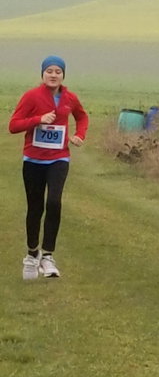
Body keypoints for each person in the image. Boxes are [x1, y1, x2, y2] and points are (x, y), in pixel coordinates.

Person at [9, 55, 89, 279]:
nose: (53, 75)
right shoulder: (31, 96)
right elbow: (13, 125)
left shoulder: (70, 98)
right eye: (49, 71)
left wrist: (80, 134)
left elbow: (82, 117)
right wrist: (38, 119)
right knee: (35, 207)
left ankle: (48, 256)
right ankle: (32, 254)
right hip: (33, 160)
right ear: (42, 74)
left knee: (54, 202)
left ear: (63, 75)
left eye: (58, 71)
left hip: (59, 158)